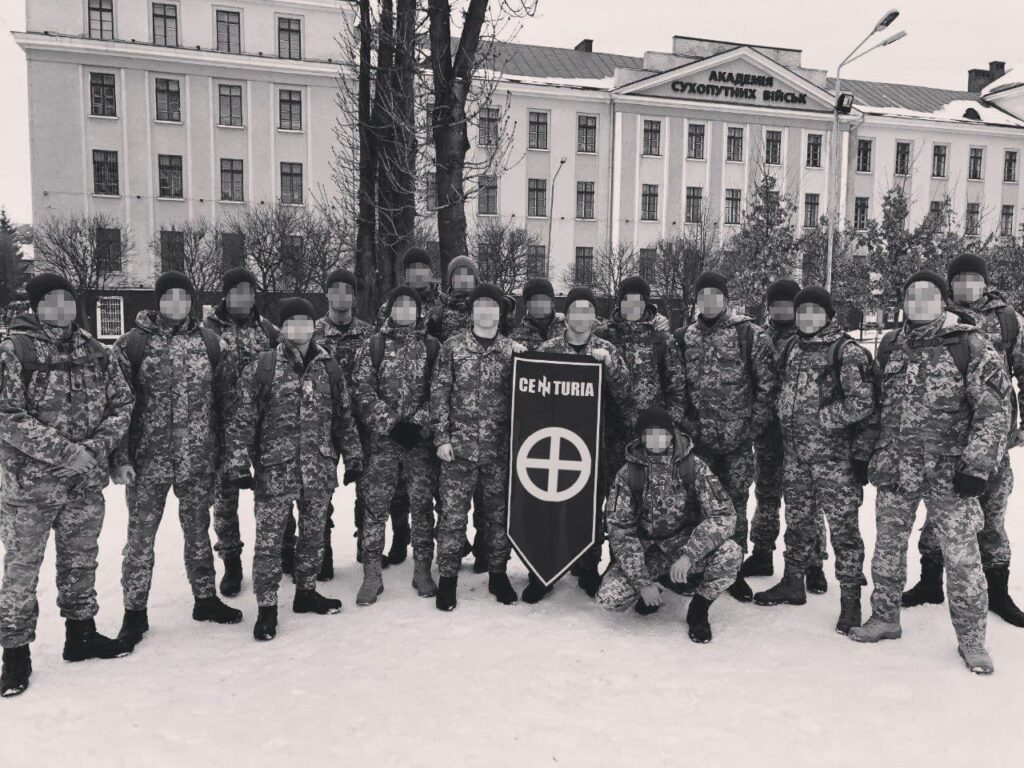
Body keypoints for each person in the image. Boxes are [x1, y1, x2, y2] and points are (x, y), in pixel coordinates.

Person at [850, 271, 1010, 675]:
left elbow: (993, 412)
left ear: (942, 301)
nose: (918, 302)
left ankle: (972, 640)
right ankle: (885, 618)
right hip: (896, 469)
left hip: (951, 474)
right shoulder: (890, 345)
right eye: (911, 296)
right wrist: (863, 454)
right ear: (903, 303)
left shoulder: (971, 344)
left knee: (962, 558)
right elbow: (875, 409)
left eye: (928, 295)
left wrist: (976, 466)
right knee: (887, 547)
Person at [0, 274, 135, 697]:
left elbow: (122, 403)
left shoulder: (96, 351)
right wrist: (66, 452)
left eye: (68, 299)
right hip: (30, 488)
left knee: (80, 561)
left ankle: (81, 635)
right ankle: (15, 654)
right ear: (37, 305)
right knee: (21, 571)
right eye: (52, 300)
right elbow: (8, 416)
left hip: (84, 483)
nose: (62, 306)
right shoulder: (13, 350)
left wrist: (95, 450)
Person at [113, 272, 242, 649]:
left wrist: (225, 453)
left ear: (191, 301)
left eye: (183, 297)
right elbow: (120, 407)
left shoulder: (211, 343)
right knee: (140, 541)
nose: (176, 303)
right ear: (157, 301)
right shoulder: (131, 345)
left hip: (198, 460)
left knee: (198, 533)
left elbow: (227, 403)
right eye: (168, 297)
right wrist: (120, 457)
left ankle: (205, 600)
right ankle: (134, 613)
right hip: (147, 462)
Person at [223, 298, 363, 641]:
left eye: (305, 320)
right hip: (276, 471)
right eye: (292, 321)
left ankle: (305, 592)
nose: (299, 327)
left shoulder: (328, 367)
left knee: (314, 536)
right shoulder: (263, 367)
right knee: (270, 543)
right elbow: (241, 422)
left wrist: (354, 457)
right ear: (282, 328)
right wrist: (239, 464)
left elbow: (344, 418)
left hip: (318, 468)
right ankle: (267, 608)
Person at [901, 254, 1024, 627]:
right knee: (940, 513)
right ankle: (929, 582)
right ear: (949, 284)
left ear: (985, 283)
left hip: (993, 437)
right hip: (945, 439)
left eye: (974, 279)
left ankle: (998, 591)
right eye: (959, 279)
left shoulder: (1008, 320)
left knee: (991, 511)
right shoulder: (936, 314)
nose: (967, 285)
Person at [752, 287, 875, 634]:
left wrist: (823, 418)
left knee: (844, 531)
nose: (807, 318)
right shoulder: (792, 347)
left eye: (814, 312)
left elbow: (863, 402)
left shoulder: (846, 352)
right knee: (798, 521)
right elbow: (780, 388)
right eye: (801, 311)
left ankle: (850, 599)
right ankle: (793, 581)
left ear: (828, 315)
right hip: (796, 455)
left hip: (833, 461)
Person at [673, 271, 778, 602]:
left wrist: (751, 429)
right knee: (695, 506)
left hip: (736, 443)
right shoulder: (683, 337)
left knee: (734, 506)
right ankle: (698, 566)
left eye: (715, 294)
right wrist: (686, 428)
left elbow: (767, 387)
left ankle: (732, 571)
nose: (709, 301)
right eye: (702, 295)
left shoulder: (750, 335)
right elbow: (676, 390)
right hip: (697, 443)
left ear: (725, 298)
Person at [596, 407, 741, 643]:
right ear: (641, 437)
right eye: (649, 434)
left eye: (661, 433)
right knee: (609, 598)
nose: (656, 440)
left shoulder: (692, 466)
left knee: (730, 553)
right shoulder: (628, 473)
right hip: (648, 552)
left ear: (671, 434)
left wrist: (689, 555)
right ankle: (658, 586)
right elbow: (620, 530)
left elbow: (724, 514)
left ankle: (699, 607)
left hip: (683, 547)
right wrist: (641, 581)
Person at [535, 287, 635, 602]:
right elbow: (530, 392)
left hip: (595, 445)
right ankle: (544, 568)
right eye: (576, 310)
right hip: (554, 444)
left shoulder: (606, 348)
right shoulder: (549, 349)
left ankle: (588, 566)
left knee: (590, 509)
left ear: (594, 316)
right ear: (567, 315)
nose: (582, 317)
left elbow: (625, 393)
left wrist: (611, 367)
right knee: (550, 506)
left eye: (588, 311)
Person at [430, 283, 525, 611]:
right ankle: (448, 579)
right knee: (453, 518)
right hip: (459, 450)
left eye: (493, 306)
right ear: (472, 312)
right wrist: (441, 438)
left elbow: (527, 402)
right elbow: (440, 393)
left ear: (501, 311)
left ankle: (498, 574)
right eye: (480, 306)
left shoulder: (515, 352)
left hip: (497, 451)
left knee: (497, 518)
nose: (487, 312)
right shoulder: (453, 347)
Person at [352, 287, 441, 604]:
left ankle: (422, 570)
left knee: (422, 509)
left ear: (419, 311)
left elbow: (441, 392)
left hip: (420, 445)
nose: (404, 310)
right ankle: (372, 575)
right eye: (398, 304)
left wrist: (419, 423)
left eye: (411, 305)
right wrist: (390, 423)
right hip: (382, 446)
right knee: (375, 510)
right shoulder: (373, 346)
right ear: (389, 309)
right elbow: (361, 390)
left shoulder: (432, 347)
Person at [746, 279, 828, 592]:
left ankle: (813, 563)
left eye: (787, 304)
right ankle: (762, 552)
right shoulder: (758, 337)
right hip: (768, 433)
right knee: (766, 495)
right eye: (775, 303)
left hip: (802, 435)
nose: (781, 309)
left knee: (808, 501)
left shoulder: (808, 336)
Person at [203, 267, 279, 597]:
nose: (244, 297)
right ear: (226, 294)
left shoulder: (266, 330)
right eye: (237, 291)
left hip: (264, 429)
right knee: (225, 501)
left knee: (274, 494)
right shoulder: (207, 331)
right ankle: (231, 562)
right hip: (222, 430)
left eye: (249, 291)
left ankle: (282, 549)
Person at [310, 268, 376, 577]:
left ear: (353, 296)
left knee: (367, 489)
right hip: (322, 424)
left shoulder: (370, 334)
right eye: (334, 290)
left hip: (361, 424)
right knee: (320, 491)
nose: (341, 296)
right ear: (327, 294)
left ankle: (367, 545)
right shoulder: (311, 333)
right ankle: (321, 552)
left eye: (346, 290)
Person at [595, 276, 685, 481]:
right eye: (627, 300)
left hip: (651, 433)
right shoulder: (603, 336)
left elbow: (677, 388)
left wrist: (669, 424)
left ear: (646, 304)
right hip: (612, 432)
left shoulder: (661, 339)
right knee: (614, 490)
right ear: (619, 303)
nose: (633, 306)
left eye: (638, 301)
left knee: (649, 491)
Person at [509, 277, 566, 350]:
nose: (539, 305)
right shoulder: (515, 340)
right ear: (526, 305)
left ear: (552, 303)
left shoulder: (568, 330)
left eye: (544, 299)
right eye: (534, 301)